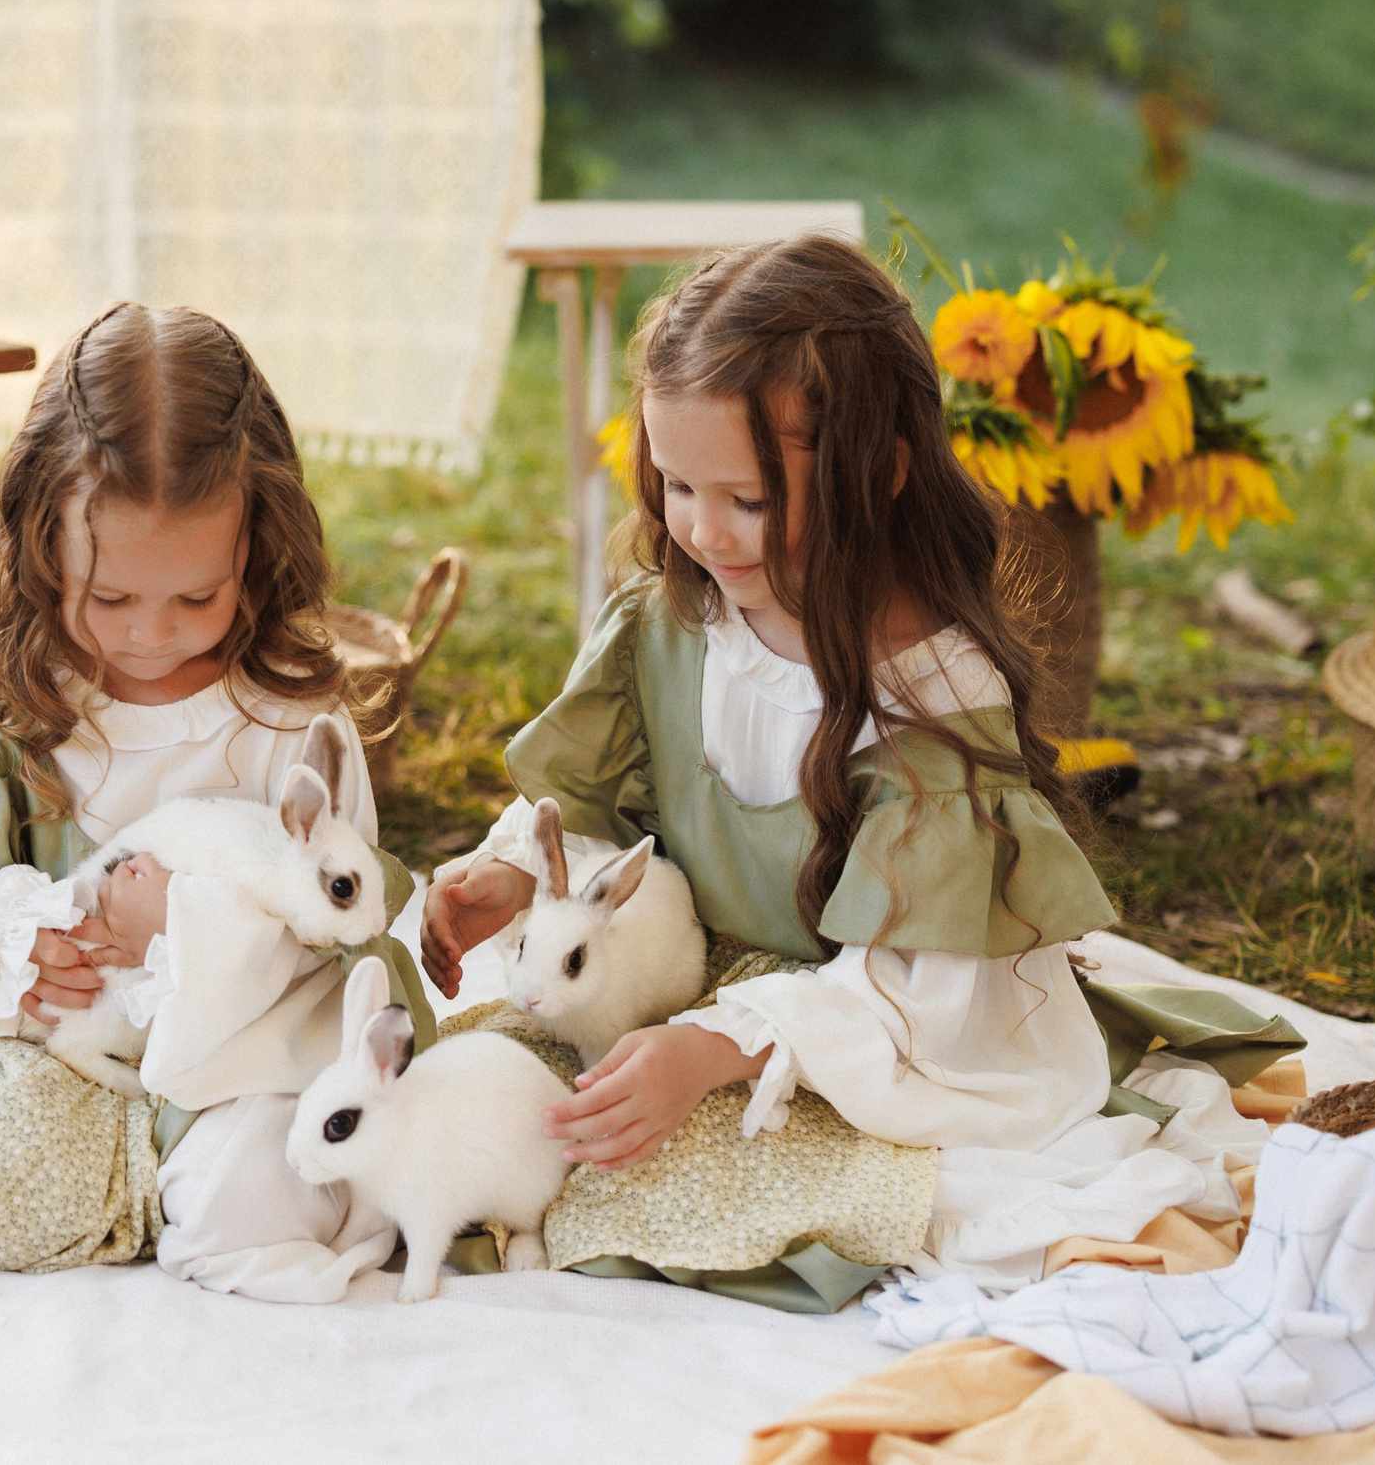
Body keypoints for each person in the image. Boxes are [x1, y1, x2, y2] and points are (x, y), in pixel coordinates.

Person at [422, 235, 1262, 1291]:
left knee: (746, 1171)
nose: (702, 531)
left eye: (750, 500)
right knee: (496, 1100)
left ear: (880, 472)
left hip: (877, 1015)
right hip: (691, 970)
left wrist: (720, 1048)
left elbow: (929, 981)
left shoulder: (926, 689)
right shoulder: (665, 619)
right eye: (677, 484)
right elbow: (591, 807)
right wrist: (520, 876)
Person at [0, 301, 426, 1302]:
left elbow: (340, 926)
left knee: (268, 1181)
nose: (149, 634)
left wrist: (187, 931)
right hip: (55, 1056)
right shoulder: (8, 709)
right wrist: (22, 948)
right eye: (107, 599)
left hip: (240, 1060)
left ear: (255, 552)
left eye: (196, 598)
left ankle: (185, 1192)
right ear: (38, 545)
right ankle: (101, 1180)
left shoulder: (284, 718)